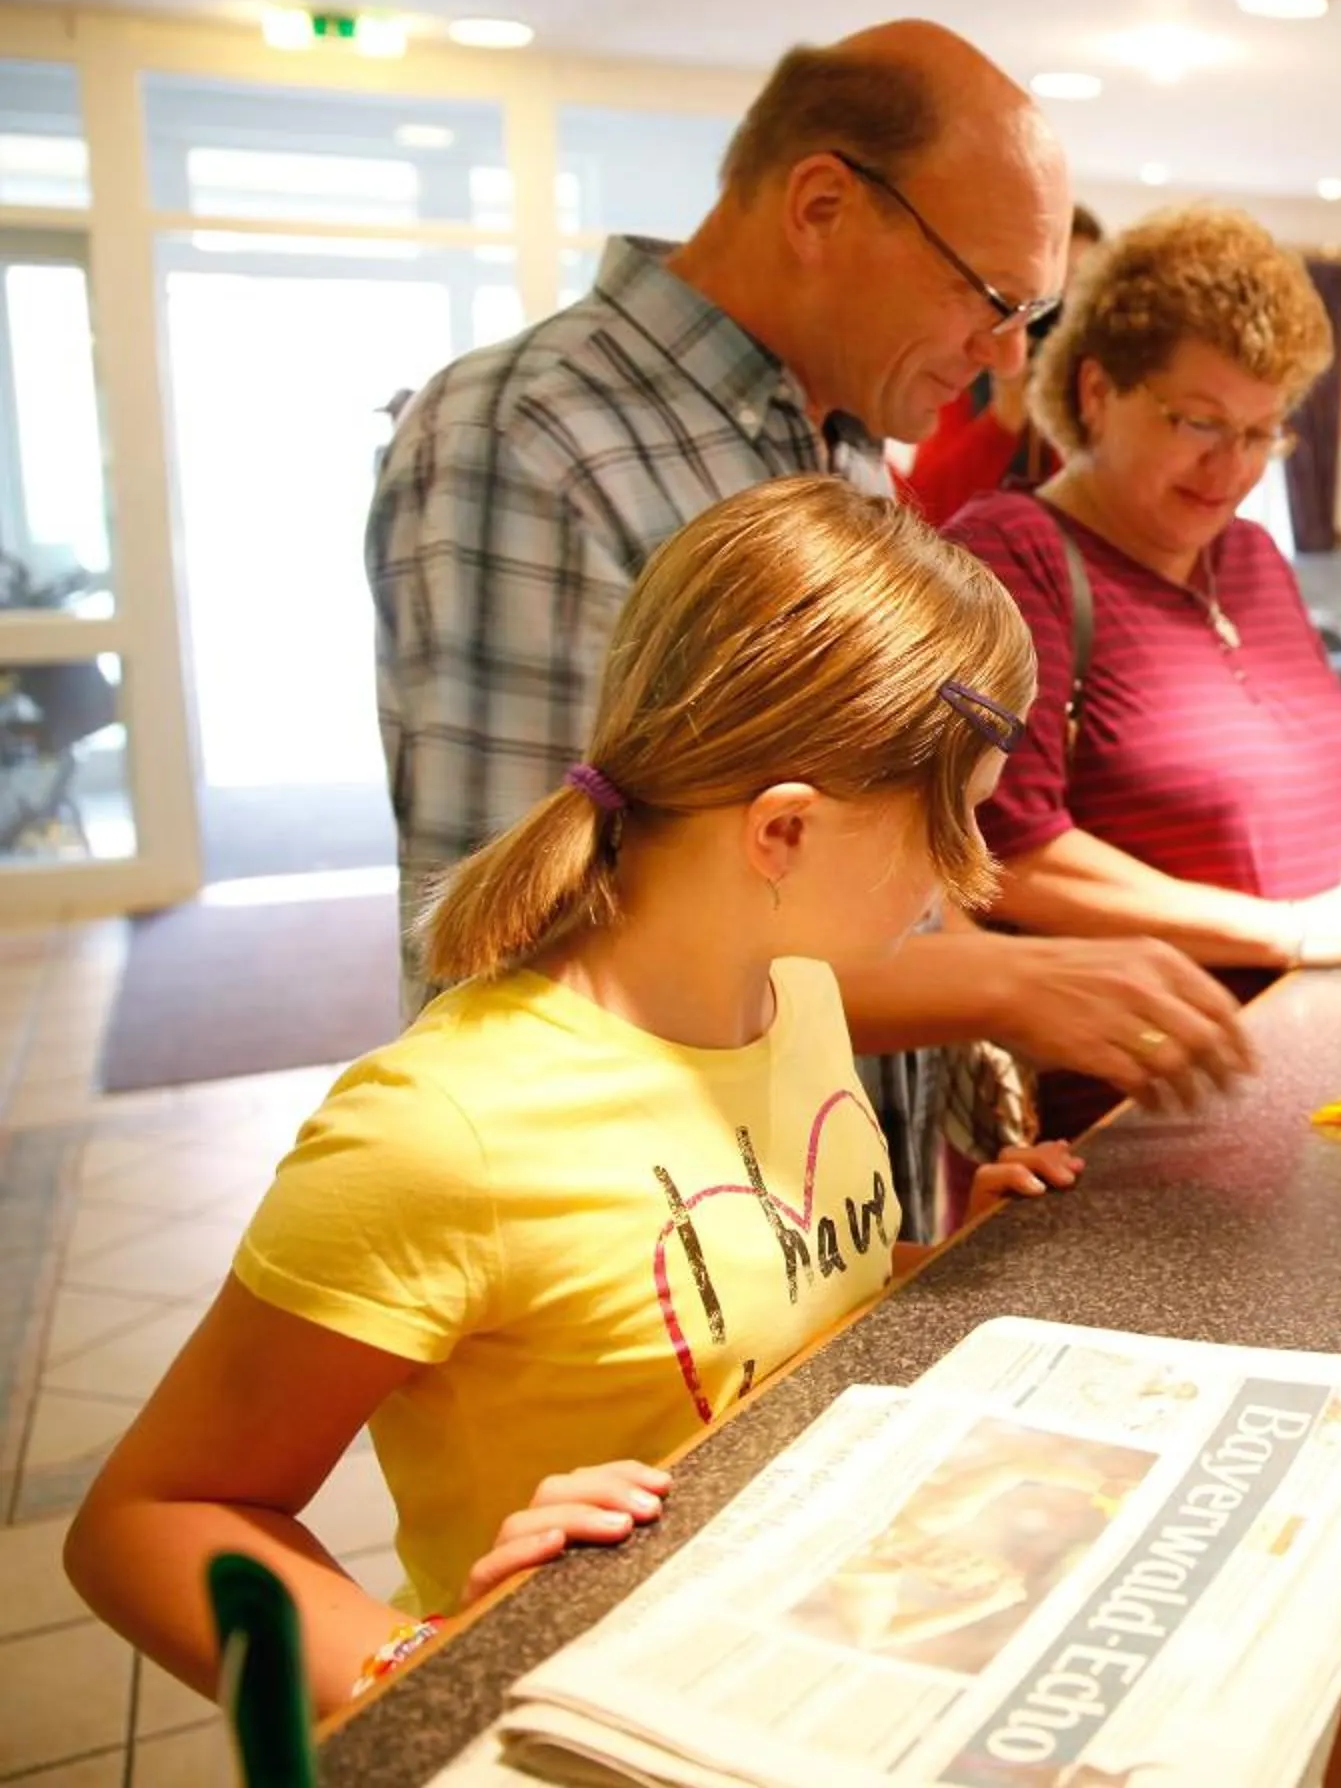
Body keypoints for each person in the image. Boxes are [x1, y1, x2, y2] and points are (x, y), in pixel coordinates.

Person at [69, 478, 1082, 1716]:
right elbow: (152, 1515)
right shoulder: (444, 1129)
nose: (970, 879)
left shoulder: (795, 993)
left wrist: (942, 1267)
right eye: (957, 823)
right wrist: (419, 1669)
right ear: (782, 833)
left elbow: (741, 1302)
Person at [367, 24, 1250, 1228]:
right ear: (824, 204)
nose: (1002, 357)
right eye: (991, 299)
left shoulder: (841, 449)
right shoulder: (535, 434)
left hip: (817, 1219)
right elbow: (523, 940)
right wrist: (1003, 977)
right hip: (638, 1247)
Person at [944, 205, 1341, 1137]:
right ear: (1098, 391)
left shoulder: (1254, 556)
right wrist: (1292, 929)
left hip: (1315, 1071)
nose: (1233, 469)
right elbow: (1001, 856)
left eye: (1265, 434)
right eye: (1202, 424)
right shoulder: (1012, 555)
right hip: (1148, 1105)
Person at [894, 202, 1105, 524]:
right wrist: (1004, 416)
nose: (1061, 311)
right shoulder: (972, 367)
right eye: (1052, 292)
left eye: (1082, 287)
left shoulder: (1102, 391)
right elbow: (924, 511)